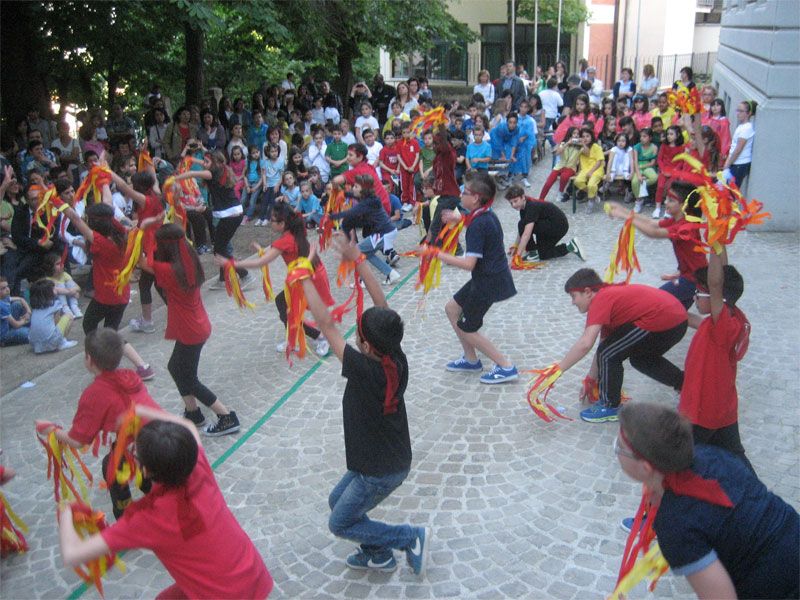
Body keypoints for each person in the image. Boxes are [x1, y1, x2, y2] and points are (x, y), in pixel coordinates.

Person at [297, 231, 430, 575]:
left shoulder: (362, 369)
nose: (354, 337)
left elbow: (326, 325)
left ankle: (407, 537)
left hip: (380, 470)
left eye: (358, 334)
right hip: (378, 457)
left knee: (339, 523)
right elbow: (382, 305)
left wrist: (302, 276)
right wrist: (358, 259)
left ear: (366, 346)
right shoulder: (393, 355)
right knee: (336, 503)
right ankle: (378, 552)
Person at [58, 407, 273, 598]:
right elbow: (187, 424)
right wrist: (139, 410)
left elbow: (72, 554)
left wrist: (67, 513)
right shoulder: (197, 468)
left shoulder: (147, 519)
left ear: (146, 470)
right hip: (252, 573)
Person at [615, 402, 799, 599]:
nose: (616, 449)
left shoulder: (676, 523)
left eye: (619, 446)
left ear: (645, 468)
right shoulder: (710, 455)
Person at [35, 328, 160, 518]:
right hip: (161, 435)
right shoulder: (130, 376)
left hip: (144, 446)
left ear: (89, 358)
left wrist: (50, 429)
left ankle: (128, 517)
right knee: (119, 460)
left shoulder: (95, 393)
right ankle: (157, 498)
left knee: (112, 466)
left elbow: (78, 441)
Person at [144, 223, 241, 435]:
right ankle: (193, 413)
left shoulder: (169, 269)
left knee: (189, 378)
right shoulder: (188, 260)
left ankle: (226, 417)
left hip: (190, 330)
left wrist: (142, 230)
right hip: (196, 325)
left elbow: (143, 261)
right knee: (174, 367)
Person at [556, 268, 688, 423]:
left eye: (573, 296)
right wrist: (590, 380)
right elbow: (603, 345)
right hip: (677, 321)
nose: (573, 302)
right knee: (641, 359)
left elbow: (586, 343)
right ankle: (686, 384)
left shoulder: (601, 299)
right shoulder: (608, 296)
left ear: (587, 292)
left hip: (663, 319)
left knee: (610, 354)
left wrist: (557, 371)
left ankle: (610, 406)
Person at [220, 203, 332, 356]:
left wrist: (232, 264)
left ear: (282, 224)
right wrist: (262, 250)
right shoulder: (295, 232)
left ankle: (321, 337)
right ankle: (296, 337)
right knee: (285, 304)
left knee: (301, 309)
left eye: (273, 220)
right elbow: (277, 251)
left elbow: (262, 262)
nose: (270, 222)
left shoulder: (286, 240)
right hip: (310, 274)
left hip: (309, 277)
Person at [438, 170, 518, 384]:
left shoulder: (478, 224)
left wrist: (438, 254)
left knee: (467, 327)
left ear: (475, 198)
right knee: (452, 308)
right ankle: (471, 360)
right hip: (487, 277)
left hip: (488, 282)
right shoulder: (484, 215)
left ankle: (506, 367)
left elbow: (468, 264)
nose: (460, 195)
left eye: (464, 191)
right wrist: (459, 218)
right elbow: (474, 223)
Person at [679, 244, 754, 470]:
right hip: (723, 406)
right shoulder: (729, 317)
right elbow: (723, 274)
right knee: (736, 457)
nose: (694, 297)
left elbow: (716, 281)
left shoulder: (722, 326)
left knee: (682, 461)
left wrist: (713, 243)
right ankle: (759, 497)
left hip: (703, 410)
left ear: (715, 297)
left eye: (698, 293)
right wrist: (719, 238)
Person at [608, 180, 707, 310]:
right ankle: (709, 328)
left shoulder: (684, 226)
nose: (666, 203)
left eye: (671, 200)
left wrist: (627, 218)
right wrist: (625, 212)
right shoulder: (678, 219)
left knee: (657, 301)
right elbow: (651, 222)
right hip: (691, 276)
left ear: (683, 204)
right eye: (666, 199)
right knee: (679, 315)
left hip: (693, 280)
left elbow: (654, 233)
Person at [173, 151, 256, 291]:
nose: (204, 164)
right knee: (220, 248)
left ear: (214, 162)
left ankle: (245, 275)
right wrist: (190, 158)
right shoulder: (221, 168)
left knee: (220, 249)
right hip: (233, 213)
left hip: (230, 216)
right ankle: (223, 280)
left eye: (206, 162)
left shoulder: (211, 173)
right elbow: (205, 163)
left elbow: (192, 174)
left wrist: (175, 178)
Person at [329, 174, 400, 285]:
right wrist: (342, 193)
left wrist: (330, 217)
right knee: (368, 254)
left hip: (383, 233)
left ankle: (365, 280)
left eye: (356, 186)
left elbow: (350, 213)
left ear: (363, 189)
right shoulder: (370, 198)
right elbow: (353, 195)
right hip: (386, 232)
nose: (353, 188)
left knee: (357, 252)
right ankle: (390, 273)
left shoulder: (367, 203)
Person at [505, 185, 583, 263]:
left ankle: (534, 252)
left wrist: (517, 256)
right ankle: (568, 246)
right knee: (542, 253)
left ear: (523, 197)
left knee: (523, 224)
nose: (513, 205)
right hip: (547, 225)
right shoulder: (523, 207)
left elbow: (526, 234)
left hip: (558, 226)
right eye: (511, 203)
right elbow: (522, 229)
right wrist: (515, 246)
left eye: (515, 201)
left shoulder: (531, 207)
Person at [28, 278, 77, 353]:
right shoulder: (55, 304)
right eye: (54, 288)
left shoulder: (35, 307)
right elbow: (56, 321)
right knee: (69, 316)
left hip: (34, 343)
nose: (56, 289)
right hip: (51, 341)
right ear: (48, 293)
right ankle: (62, 342)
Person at [538, 126, 581, 203]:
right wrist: (567, 143)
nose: (576, 135)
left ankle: (560, 192)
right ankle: (541, 199)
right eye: (574, 133)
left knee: (564, 176)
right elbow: (558, 153)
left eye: (578, 133)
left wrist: (582, 143)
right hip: (560, 166)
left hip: (571, 167)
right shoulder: (564, 143)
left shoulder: (580, 146)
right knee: (548, 182)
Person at [652, 125, 686, 218]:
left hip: (674, 171)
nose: (669, 136)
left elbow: (681, 161)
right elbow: (659, 159)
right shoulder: (664, 146)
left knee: (671, 188)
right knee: (660, 186)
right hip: (664, 170)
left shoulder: (681, 148)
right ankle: (657, 208)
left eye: (671, 134)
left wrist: (674, 171)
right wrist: (663, 169)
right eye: (668, 134)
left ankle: (668, 208)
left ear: (678, 135)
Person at [722, 100, 756, 188]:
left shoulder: (746, 128)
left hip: (740, 163)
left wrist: (728, 163)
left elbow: (738, 149)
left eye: (741, 111)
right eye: (738, 110)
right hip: (736, 162)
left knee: (732, 192)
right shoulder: (742, 126)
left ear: (749, 113)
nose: (738, 113)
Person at [574, 127, 605, 214]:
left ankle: (591, 201)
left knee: (592, 185)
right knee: (577, 181)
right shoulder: (580, 147)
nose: (585, 138)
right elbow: (581, 160)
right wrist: (579, 170)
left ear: (592, 137)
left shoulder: (596, 147)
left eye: (587, 136)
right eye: (583, 137)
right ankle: (593, 195)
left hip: (597, 169)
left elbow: (599, 161)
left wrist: (591, 171)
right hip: (585, 169)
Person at [631, 127, 658, 211]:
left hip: (647, 166)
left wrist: (642, 167)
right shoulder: (637, 147)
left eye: (644, 136)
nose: (642, 138)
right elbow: (635, 162)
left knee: (654, 177)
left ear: (650, 137)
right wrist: (639, 175)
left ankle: (642, 186)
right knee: (635, 182)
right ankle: (638, 200)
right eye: (641, 136)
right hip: (637, 166)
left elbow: (652, 162)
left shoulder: (654, 147)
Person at [0, 276, 30, 346]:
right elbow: (16, 325)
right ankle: (5, 341)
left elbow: (21, 299)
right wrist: (26, 320)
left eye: (7, 286)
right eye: (3, 288)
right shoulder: (1, 306)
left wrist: (29, 312)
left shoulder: (4, 298)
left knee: (17, 304)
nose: (7, 289)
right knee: (31, 332)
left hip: (8, 324)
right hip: (4, 333)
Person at [397, 122, 421, 209]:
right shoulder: (399, 143)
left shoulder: (415, 142)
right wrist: (405, 167)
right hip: (404, 169)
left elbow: (418, 155)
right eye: (404, 133)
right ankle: (405, 201)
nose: (406, 134)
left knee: (412, 186)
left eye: (408, 132)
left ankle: (412, 202)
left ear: (411, 132)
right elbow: (398, 156)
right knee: (404, 186)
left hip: (413, 169)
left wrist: (413, 167)